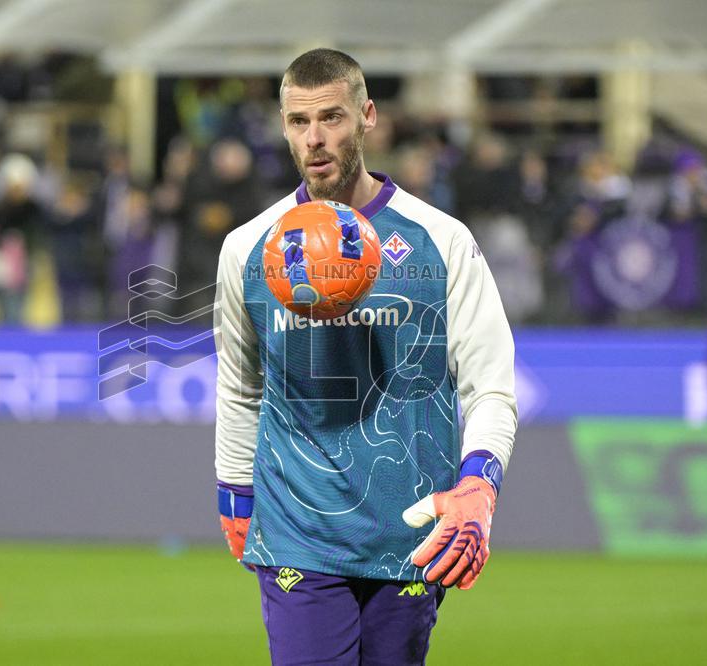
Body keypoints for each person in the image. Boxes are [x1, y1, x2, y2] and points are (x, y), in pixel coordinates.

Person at [213, 49, 517, 664]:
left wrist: (479, 485)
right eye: (299, 122)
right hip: (298, 532)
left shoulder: (442, 241)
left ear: (368, 116)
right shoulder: (248, 249)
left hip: (408, 532)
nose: (316, 139)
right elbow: (240, 387)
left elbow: (490, 387)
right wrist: (234, 495)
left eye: (333, 118)